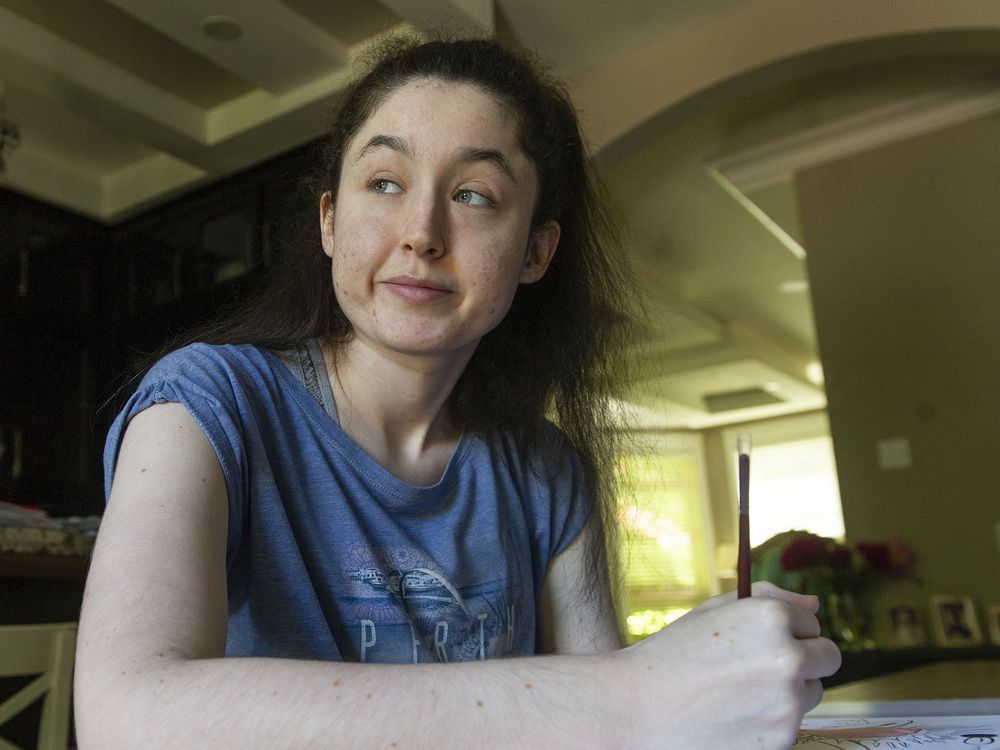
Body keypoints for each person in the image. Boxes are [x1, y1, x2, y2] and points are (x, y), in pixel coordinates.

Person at [74, 36, 841, 748]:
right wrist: (628, 696)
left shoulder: (546, 470)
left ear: (537, 249)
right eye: (383, 182)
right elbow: (127, 716)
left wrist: (708, 678)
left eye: (474, 195)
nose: (421, 231)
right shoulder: (205, 404)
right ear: (330, 222)